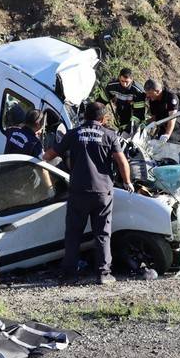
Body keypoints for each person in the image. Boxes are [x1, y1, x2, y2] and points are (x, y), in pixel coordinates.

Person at [43, 102, 134, 285]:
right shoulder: (110, 135)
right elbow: (122, 162)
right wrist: (127, 182)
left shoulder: (73, 134)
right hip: (102, 192)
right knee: (102, 233)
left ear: (84, 116)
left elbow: (49, 155)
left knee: (73, 233)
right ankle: (103, 274)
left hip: (78, 191)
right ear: (103, 119)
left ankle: (69, 275)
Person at [98, 68, 146, 134]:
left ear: (131, 80)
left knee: (129, 133)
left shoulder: (138, 91)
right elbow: (101, 102)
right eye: (122, 81)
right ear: (119, 78)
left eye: (127, 82)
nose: (124, 84)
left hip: (134, 115)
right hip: (121, 111)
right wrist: (97, 115)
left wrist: (130, 126)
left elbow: (139, 112)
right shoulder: (112, 86)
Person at [144, 79, 180, 143]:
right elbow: (154, 118)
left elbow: (172, 118)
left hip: (179, 127)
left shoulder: (171, 97)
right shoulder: (152, 100)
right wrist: (143, 124)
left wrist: (167, 134)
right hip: (164, 126)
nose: (147, 95)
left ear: (157, 91)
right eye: (147, 93)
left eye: (149, 93)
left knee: (168, 145)